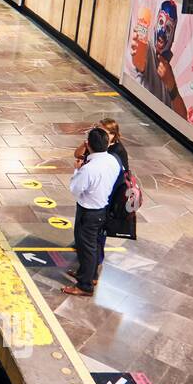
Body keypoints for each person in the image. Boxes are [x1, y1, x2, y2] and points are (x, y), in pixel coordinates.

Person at [64, 127, 122, 298]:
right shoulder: (112, 160)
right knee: (94, 245)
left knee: (86, 248)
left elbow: (75, 189)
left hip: (88, 211)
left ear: (88, 145)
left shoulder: (89, 168)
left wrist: (77, 170)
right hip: (102, 209)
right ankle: (87, 275)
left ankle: (85, 286)